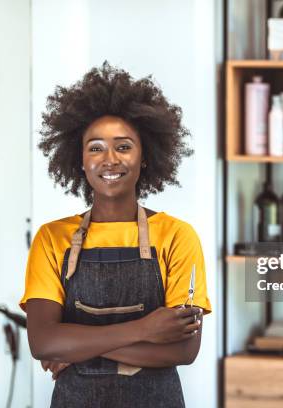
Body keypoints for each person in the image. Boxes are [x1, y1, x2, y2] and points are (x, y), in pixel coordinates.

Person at [19, 63, 211, 407]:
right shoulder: (52, 238)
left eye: (123, 146)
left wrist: (78, 347)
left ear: (145, 156)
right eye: (95, 148)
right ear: (79, 160)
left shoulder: (178, 237)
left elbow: (184, 349)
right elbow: (44, 342)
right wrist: (145, 330)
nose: (109, 159)